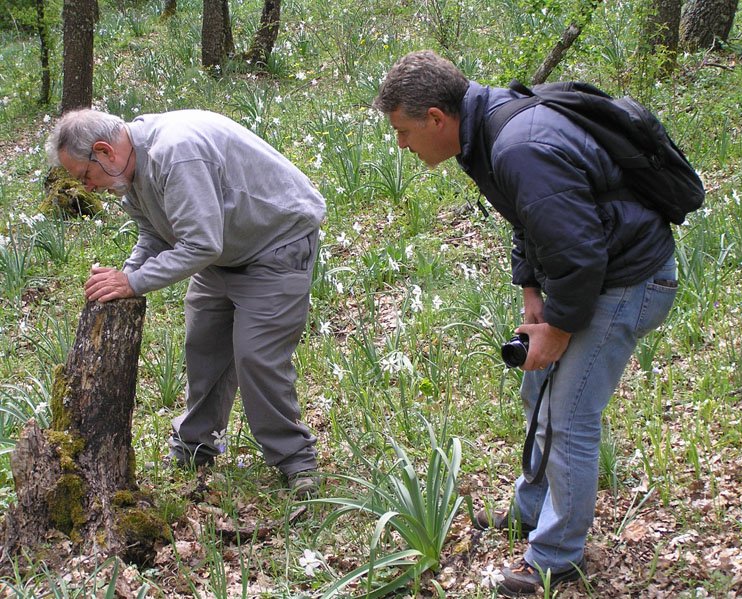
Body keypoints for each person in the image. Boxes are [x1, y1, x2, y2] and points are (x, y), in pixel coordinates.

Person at [374, 50, 677, 595]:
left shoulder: (517, 145)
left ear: (437, 119)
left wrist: (558, 329)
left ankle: (558, 554)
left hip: (631, 279)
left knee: (569, 415)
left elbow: (580, 253)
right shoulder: (487, 131)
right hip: (594, 272)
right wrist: (532, 293)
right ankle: (532, 509)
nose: (402, 145)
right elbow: (531, 220)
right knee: (538, 389)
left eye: (404, 131)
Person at [46, 109, 326, 497]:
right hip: (224, 250)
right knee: (204, 345)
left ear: (104, 151)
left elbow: (200, 244)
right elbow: (154, 233)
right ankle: (195, 447)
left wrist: (133, 282)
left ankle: (296, 462)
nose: (88, 189)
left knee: (257, 356)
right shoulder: (129, 172)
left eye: (84, 176)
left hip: (275, 243)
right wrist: (124, 277)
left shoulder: (176, 153)